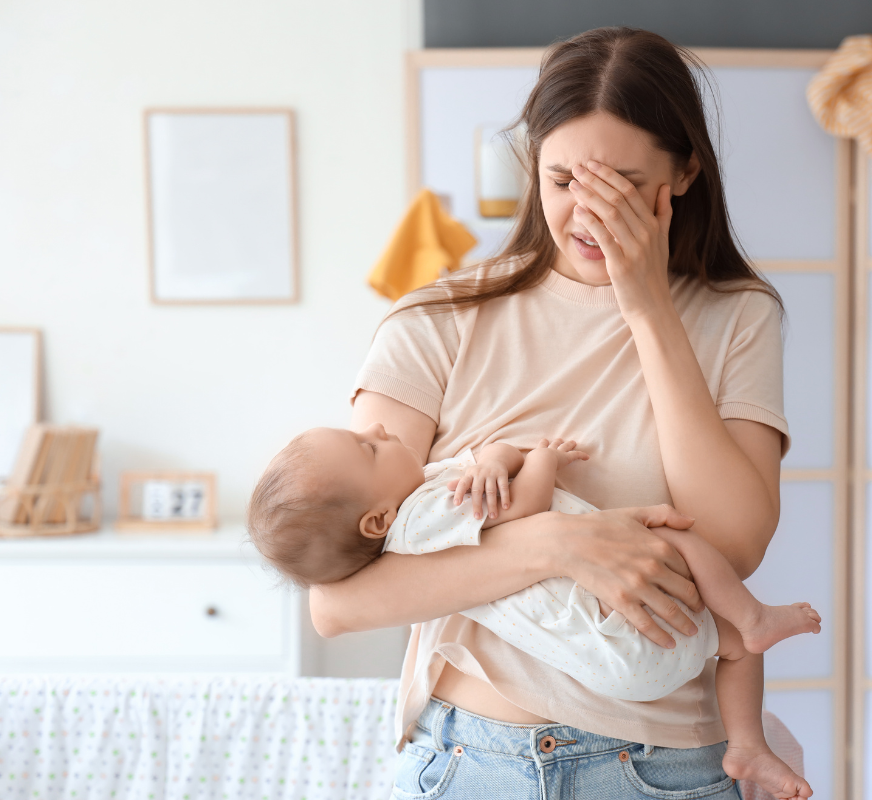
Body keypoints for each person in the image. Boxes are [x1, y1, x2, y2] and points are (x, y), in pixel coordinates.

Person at [309, 26, 813, 800]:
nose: (587, 212)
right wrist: (560, 546)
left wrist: (647, 309)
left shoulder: (734, 318)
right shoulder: (435, 322)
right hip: (469, 761)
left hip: (662, 771)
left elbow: (735, 544)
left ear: (681, 175)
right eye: (563, 180)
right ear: (532, 168)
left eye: (619, 183)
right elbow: (340, 599)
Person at [250, 429, 821, 797]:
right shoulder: (421, 517)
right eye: (366, 448)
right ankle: (752, 625)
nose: (375, 430)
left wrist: (496, 457)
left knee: (720, 639)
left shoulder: (417, 500)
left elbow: (483, 463)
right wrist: (542, 458)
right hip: (618, 637)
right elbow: (526, 504)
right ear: (375, 521)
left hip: (622, 662)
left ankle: (748, 746)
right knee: (679, 546)